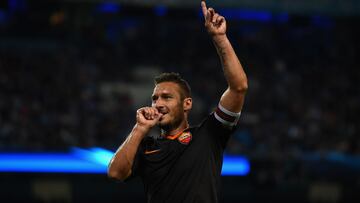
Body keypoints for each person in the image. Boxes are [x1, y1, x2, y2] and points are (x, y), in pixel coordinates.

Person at [108, 1, 248, 202]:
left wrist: (220, 39)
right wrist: (139, 129)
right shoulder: (146, 146)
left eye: (167, 97)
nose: (158, 103)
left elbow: (239, 87)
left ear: (187, 104)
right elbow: (115, 173)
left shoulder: (209, 135)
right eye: (155, 98)